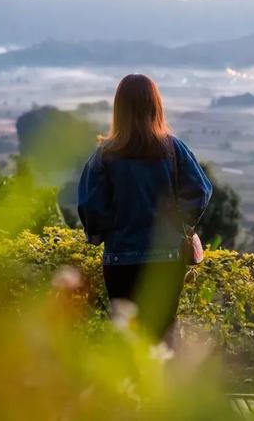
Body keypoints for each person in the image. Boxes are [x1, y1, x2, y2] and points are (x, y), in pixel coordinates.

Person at [78, 74, 212, 343]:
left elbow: (90, 206)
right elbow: (201, 191)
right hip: (166, 260)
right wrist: (175, 224)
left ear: (120, 109)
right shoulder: (174, 149)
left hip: (120, 261)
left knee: (127, 340)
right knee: (162, 338)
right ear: (155, 106)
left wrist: (110, 229)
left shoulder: (104, 155)